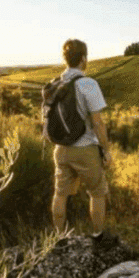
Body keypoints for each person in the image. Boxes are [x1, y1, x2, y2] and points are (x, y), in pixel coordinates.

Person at [50, 39, 112, 233]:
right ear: (83, 58)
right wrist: (106, 150)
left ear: (65, 59)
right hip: (86, 149)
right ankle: (97, 235)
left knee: (60, 194)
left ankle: (59, 237)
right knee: (97, 193)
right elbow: (98, 123)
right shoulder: (88, 84)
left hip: (61, 149)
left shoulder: (54, 84)